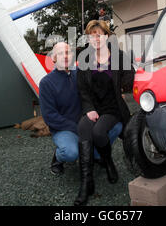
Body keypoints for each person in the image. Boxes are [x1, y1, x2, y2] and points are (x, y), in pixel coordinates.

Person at [74, 20, 135, 206]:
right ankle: (87, 182)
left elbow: (130, 76)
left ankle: (108, 162)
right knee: (83, 127)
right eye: (92, 36)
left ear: (107, 36)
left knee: (99, 133)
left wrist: (123, 90)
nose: (96, 39)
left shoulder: (118, 56)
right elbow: (82, 89)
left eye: (99, 34)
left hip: (112, 106)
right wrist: (89, 109)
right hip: (94, 106)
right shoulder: (84, 59)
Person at [39, 41, 122, 176]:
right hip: (64, 128)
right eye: (60, 53)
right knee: (71, 153)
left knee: (116, 126)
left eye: (67, 52)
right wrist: (76, 128)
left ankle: (95, 155)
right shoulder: (46, 83)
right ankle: (58, 158)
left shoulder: (80, 74)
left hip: (86, 122)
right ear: (53, 58)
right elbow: (49, 117)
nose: (65, 56)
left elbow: (97, 91)